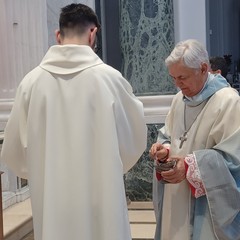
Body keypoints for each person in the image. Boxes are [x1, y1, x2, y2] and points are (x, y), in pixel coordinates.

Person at [1, 3, 147, 240]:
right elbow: (133, 142)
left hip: (54, 206)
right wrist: (103, 167)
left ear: (58, 35)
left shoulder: (31, 83)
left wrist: (45, 170)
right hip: (101, 200)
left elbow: (14, 154)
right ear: (93, 33)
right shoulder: (111, 80)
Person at [149, 39, 240, 240]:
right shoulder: (178, 100)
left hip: (206, 206)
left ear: (203, 68)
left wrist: (190, 167)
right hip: (175, 199)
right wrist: (164, 150)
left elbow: (234, 159)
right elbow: (168, 135)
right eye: (173, 78)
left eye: (182, 77)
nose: (178, 84)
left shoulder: (228, 101)